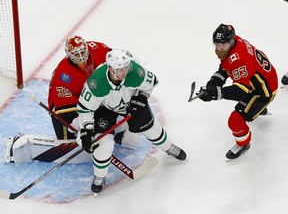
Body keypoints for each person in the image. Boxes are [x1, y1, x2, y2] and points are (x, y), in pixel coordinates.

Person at [4, 36, 138, 164]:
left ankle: (118, 134)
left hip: (93, 97)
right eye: (76, 54)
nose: (81, 58)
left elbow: (117, 60)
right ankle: (23, 146)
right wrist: (85, 129)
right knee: (73, 133)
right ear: (68, 54)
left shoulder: (97, 48)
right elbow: (65, 110)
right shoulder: (63, 75)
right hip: (65, 106)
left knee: (118, 102)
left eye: (82, 52)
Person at [76, 49, 187, 194]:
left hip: (132, 103)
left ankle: (169, 148)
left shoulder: (135, 72)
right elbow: (85, 109)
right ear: (110, 68)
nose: (125, 72)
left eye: (126, 68)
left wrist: (141, 98)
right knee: (103, 144)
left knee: (151, 129)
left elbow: (152, 82)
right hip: (105, 109)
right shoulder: (96, 82)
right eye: (121, 69)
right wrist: (87, 130)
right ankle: (100, 176)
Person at [197, 24, 278, 160]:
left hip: (264, 92)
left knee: (235, 121)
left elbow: (240, 92)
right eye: (217, 44)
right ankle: (258, 110)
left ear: (230, 42)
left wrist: (215, 93)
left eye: (223, 45)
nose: (219, 49)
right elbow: (225, 68)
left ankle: (243, 144)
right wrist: (213, 84)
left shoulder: (240, 59)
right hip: (263, 80)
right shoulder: (236, 43)